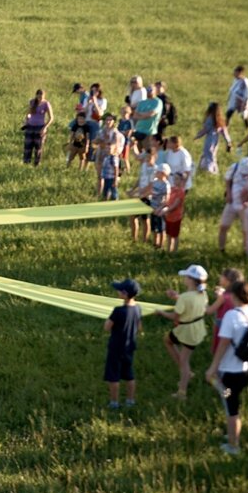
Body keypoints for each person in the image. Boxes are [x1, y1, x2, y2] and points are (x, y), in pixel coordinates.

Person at [206, 280, 248, 456]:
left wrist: (213, 368)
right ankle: (232, 433)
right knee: (231, 398)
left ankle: (233, 445)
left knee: (230, 403)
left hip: (231, 370)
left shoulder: (231, 316)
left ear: (233, 296)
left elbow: (224, 344)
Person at [155, 264, 208, 399]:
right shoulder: (202, 293)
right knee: (168, 340)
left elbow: (175, 317)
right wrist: (176, 297)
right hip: (197, 329)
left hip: (186, 331)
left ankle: (182, 391)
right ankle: (186, 373)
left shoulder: (185, 297)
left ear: (191, 280)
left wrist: (161, 313)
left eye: (186, 276)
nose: (184, 278)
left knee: (184, 361)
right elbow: (191, 303)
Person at [104, 279, 143, 409]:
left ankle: (114, 402)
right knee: (129, 374)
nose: (117, 291)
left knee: (113, 376)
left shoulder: (118, 310)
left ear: (125, 294)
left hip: (116, 347)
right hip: (129, 346)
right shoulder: (138, 308)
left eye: (119, 290)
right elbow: (139, 327)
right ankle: (130, 401)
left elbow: (107, 327)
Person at [218, 157, 248, 253]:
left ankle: (247, 251)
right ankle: (221, 249)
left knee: (246, 230)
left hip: (245, 205)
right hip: (232, 202)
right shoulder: (234, 167)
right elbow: (228, 179)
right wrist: (228, 193)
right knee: (223, 226)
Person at [206, 268, 244, 354]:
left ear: (228, 281)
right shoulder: (237, 296)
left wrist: (203, 301)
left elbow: (209, 311)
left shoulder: (224, 297)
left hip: (222, 328)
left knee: (220, 352)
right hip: (236, 327)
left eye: (222, 276)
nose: (220, 277)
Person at [195, 103, 233, 175]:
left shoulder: (209, 119)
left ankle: (211, 171)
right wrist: (228, 142)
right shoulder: (220, 120)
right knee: (212, 154)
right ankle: (206, 168)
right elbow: (225, 132)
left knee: (208, 154)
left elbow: (206, 129)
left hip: (209, 139)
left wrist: (198, 135)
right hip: (215, 140)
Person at [21, 89, 54, 166]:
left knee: (38, 147)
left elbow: (51, 118)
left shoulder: (46, 104)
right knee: (28, 146)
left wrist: (45, 127)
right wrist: (26, 120)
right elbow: (28, 113)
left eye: (41, 95)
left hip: (40, 127)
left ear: (44, 95)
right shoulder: (32, 102)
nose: (40, 97)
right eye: (38, 95)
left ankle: (36, 164)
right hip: (30, 126)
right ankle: (26, 163)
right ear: (36, 95)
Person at [161, 171, 187, 252]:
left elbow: (176, 204)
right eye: (174, 179)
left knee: (175, 235)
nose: (175, 181)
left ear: (182, 181)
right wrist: (164, 204)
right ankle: (169, 250)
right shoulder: (172, 189)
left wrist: (167, 210)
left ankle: (175, 251)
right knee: (168, 234)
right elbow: (167, 199)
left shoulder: (181, 192)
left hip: (176, 217)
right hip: (168, 217)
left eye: (177, 179)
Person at [147, 162, 172, 249]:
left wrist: (160, 208)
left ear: (163, 174)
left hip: (160, 210)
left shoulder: (166, 185)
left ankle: (161, 244)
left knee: (161, 228)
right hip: (153, 208)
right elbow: (150, 192)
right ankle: (155, 243)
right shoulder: (154, 182)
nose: (156, 173)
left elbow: (167, 199)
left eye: (158, 172)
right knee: (154, 227)